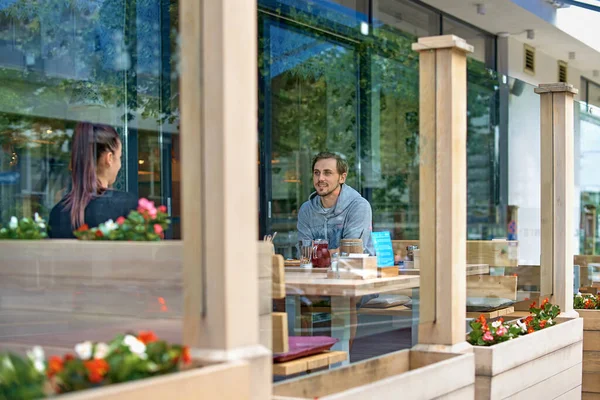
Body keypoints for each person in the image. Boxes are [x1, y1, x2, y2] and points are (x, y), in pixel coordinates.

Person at [49, 122, 137, 238]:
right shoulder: (126, 205)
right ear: (109, 158)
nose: (120, 165)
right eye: (119, 157)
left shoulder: (58, 212)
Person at [297, 151, 374, 255]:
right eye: (316, 173)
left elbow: (351, 252)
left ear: (342, 178)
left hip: (353, 270)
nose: (320, 178)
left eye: (327, 173)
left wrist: (317, 255)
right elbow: (304, 252)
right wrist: (332, 253)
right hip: (316, 271)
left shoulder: (358, 206)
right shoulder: (306, 209)